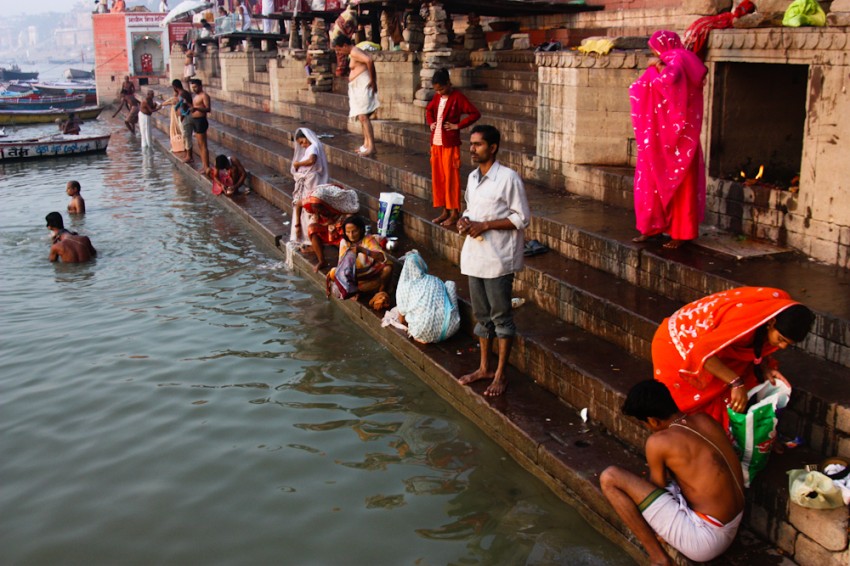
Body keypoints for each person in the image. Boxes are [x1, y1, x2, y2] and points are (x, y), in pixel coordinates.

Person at [600, 380, 745, 565]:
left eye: (645, 424)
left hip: (707, 539)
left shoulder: (659, 442)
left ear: (653, 420)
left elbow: (658, 488)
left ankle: (658, 558)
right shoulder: (704, 419)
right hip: (735, 518)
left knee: (610, 478)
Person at [652, 286, 814, 429]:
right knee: (696, 405)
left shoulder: (781, 306)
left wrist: (765, 365)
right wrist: (735, 383)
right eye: (781, 340)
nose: (783, 347)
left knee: (745, 382)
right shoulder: (743, 322)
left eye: (788, 344)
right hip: (678, 343)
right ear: (771, 322)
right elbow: (701, 352)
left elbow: (759, 341)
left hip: (712, 339)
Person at [456, 125, 530, 397]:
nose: (472, 149)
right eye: (471, 144)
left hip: (499, 258)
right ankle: (484, 367)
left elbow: (521, 218)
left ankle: (500, 374)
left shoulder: (508, 178)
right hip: (475, 257)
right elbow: (470, 208)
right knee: (482, 316)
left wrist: (486, 225)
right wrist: (465, 220)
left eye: (477, 145)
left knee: (501, 317)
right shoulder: (473, 177)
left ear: (493, 147)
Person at [630, 30, 708, 249]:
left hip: (675, 136)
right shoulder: (681, 59)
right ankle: (651, 227)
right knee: (652, 182)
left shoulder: (676, 58)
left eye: (654, 48)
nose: (653, 52)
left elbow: (670, 81)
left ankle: (680, 234)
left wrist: (658, 67)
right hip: (661, 135)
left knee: (678, 185)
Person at [426, 68, 480, 227]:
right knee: (439, 179)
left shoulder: (457, 97)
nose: (439, 92)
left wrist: (458, 126)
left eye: (442, 89)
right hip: (436, 143)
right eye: (436, 90)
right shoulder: (437, 97)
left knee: (451, 179)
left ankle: (454, 212)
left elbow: (474, 113)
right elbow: (428, 110)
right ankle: (444, 210)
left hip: (449, 144)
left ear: (449, 84)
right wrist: (431, 123)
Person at [326, 215, 393, 303]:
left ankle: (381, 290)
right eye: (348, 232)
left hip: (370, 272)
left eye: (354, 231)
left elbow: (381, 257)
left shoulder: (368, 239)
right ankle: (358, 290)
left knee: (388, 268)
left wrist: (362, 250)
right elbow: (343, 267)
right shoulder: (344, 242)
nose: (351, 235)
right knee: (333, 272)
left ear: (361, 230)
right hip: (354, 276)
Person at [332, 35, 379, 157]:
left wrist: (373, 80)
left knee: (363, 116)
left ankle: (372, 147)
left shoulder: (354, 51)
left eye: (340, 49)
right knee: (361, 116)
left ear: (345, 45)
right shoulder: (353, 52)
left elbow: (369, 60)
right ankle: (366, 144)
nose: (339, 52)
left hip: (363, 84)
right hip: (357, 86)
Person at [302, 183, 359, 272]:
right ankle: (322, 261)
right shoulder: (317, 212)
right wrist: (324, 224)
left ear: (324, 205)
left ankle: (346, 263)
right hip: (327, 232)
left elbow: (349, 218)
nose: (316, 210)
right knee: (311, 229)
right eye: (314, 208)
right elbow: (314, 223)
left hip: (340, 235)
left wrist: (335, 224)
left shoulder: (337, 207)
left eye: (318, 208)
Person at [290, 128, 329, 244]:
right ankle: (307, 238)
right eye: (300, 144)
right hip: (308, 181)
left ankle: (311, 239)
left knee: (309, 207)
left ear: (307, 137)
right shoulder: (311, 148)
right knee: (305, 208)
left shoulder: (313, 147)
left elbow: (312, 160)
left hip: (311, 181)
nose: (302, 145)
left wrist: (298, 164)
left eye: (302, 142)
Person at [160, 79, 191, 157]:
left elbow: (185, 106)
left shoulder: (182, 94)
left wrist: (182, 117)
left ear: (175, 87)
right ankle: (188, 155)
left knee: (186, 136)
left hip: (184, 117)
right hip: (184, 116)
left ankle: (189, 156)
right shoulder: (183, 93)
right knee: (185, 136)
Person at [189, 79, 211, 174]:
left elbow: (208, 109)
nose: (194, 89)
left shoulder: (204, 96)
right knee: (199, 145)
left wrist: (196, 108)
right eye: (193, 87)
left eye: (195, 87)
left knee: (203, 145)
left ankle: (206, 167)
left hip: (201, 121)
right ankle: (204, 165)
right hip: (195, 121)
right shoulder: (196, 96)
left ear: (200, 86)